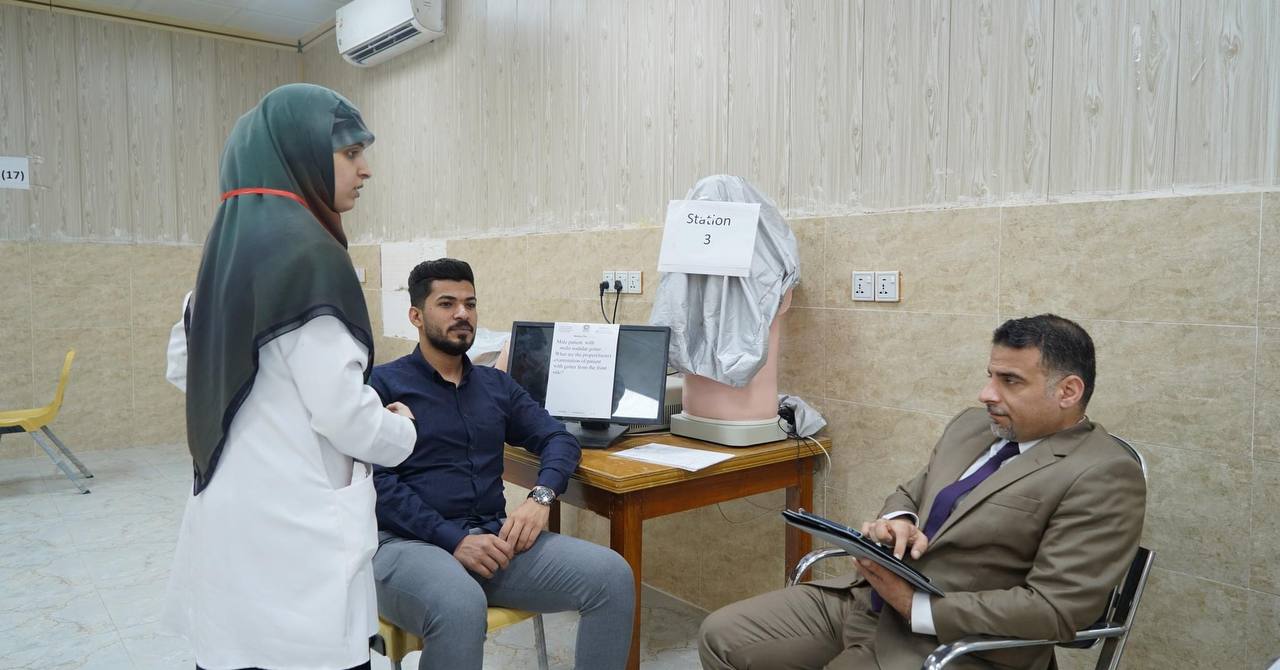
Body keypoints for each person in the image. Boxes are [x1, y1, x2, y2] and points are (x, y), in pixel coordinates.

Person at [698, 314, 1147, 670]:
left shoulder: (1103, 473)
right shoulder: (972, 428)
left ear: (1068, 391)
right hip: (866, 601)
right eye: (990, 375)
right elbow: (910, 493)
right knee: (722, 635)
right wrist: (899, 521)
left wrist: (916, 607)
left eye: (1010, 381)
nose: (986, 394)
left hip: (956, 643)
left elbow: (1056, 609)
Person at [162, 83, 417, 670]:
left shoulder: (221, 262)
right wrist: (401, 429)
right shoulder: (311, 258)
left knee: (237, 651)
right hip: (298, 542)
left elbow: (183, 369)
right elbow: (344, 416)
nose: (366, 169)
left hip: (228, 527)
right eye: (350, 153)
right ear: (298, 157)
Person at [368, 258, 635, 670]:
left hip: (493, 541)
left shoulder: (496, 386)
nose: (462, 313)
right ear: (416, 316)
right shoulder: (383, 384)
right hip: (408, 545)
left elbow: (558, 439)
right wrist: (453, 540)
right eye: (447, 303)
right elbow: (378, 484)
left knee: (612, 577)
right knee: (460, 605)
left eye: (470, 304)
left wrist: (541, 498)